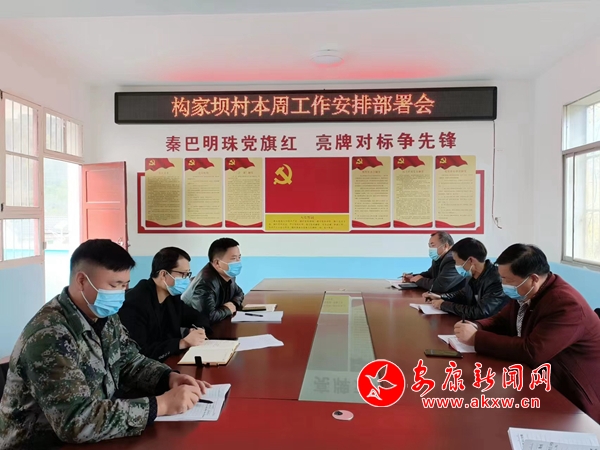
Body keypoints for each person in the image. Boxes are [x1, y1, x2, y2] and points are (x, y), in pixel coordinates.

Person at [0, 239, 211, 449]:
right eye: (114, 285)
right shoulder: (49, 336)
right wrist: (160, 405)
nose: (121, 293)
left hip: (95, 436)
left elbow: (129, 361)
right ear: (82, 281)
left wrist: (168, 378)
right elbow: (76, 421)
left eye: (124, 285)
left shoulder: (104, 316)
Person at [454, 244, 600, 423]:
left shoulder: (566, 304)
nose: (503, 285)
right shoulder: (527, 293)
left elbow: (533, 351)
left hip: (573, 398)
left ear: (533, 279)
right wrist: (476, 326)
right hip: (540, 380)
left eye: (508, 280)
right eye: (501, 278)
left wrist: (476, 338)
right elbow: (502, 320)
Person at [119, 247, 212, 363]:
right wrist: (182, 343)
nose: (186, 280)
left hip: (168, 363)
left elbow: (197, 316)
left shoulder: (172, 296)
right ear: (163, 274)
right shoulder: (135, 303)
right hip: (147, 368)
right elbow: (140, 352)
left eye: (188, 274)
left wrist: (198, 330)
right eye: (183, 274)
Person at [424, 237, 509, 320]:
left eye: (456, 261)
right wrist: (440, 297)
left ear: (471, 260)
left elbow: (479, 312)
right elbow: (463, 294)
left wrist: (444, 305)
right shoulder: (471, 274)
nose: (456, 265)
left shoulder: (496, 280)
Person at [182, 237, 244, 323]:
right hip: (191, 328)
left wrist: (233, 303)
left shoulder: (228, 274)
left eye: (239, 257)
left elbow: (239, 293)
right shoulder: (204, 284)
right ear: (217, 263)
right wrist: (227, 309)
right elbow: (207, 317)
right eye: (233, 259)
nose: (238, 262)